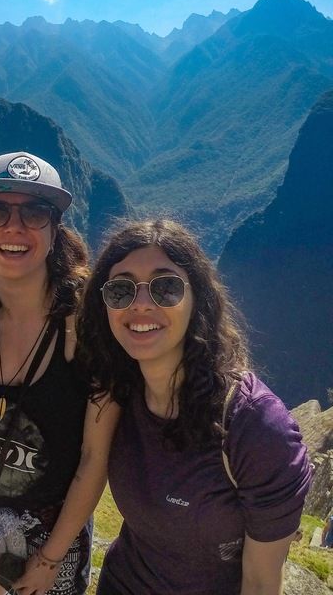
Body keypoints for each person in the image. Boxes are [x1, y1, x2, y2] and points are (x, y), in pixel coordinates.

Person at [77, 219, 313, 595]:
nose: (140, 305)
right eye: (120, 291)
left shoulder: (255, 426)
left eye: (165, 287)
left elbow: (261, 582)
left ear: (197, 298)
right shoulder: (119, 389)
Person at [0, 152, 118, 595]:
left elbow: (94, 459)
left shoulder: (84, 328)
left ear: (56, 230)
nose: (14, 227)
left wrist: (49, 560)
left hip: (54, 540)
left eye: (36, 212)